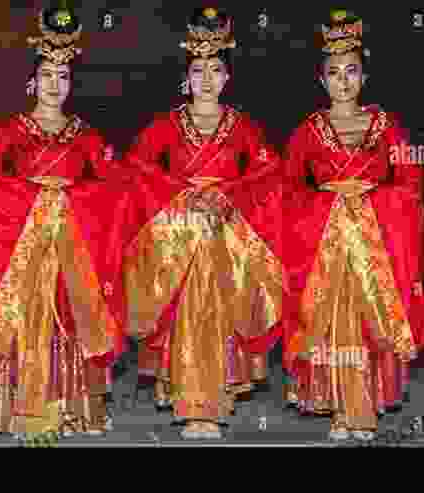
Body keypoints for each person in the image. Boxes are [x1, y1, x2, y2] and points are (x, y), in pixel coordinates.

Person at [0, 6, 133, 442]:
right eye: (46, 76)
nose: (54, 85)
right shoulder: (7, 134)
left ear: (71, 83)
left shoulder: (88, 137)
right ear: (30, 82)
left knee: (72, 318)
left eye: (62, 76)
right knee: (26, 320)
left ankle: (75, 412)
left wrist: (68, 199)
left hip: (72, 249)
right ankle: (26, 412)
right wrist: (35, 197)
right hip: (23, 249)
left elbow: (113, 187)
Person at [123, 7, 284, 439]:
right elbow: (137, 170)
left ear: (227, 77)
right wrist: (184, 196)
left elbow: (269, 174)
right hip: (179, 240)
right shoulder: (165, 126)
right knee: (187, 316)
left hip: (227, 237)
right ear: (186, 77)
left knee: (218, 316)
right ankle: (193, 405)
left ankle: (213, 404)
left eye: (216, 69)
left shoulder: (244, 128)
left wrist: (227, 194)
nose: (207, 78)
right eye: (198, 69)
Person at [281, 10, 424, 441]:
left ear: (364, 75)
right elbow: (287, 190)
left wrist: (370, 201)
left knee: (367, 324)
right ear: (321, 79)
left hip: (374, 244)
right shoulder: (308, 131)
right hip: (325, 245)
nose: (343, 81)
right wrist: (327, 202)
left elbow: (411, 183)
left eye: (352, 71)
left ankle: (362, 409)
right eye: (334, 73)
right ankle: (339, 407)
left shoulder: (388, 128)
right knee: (332, 321)